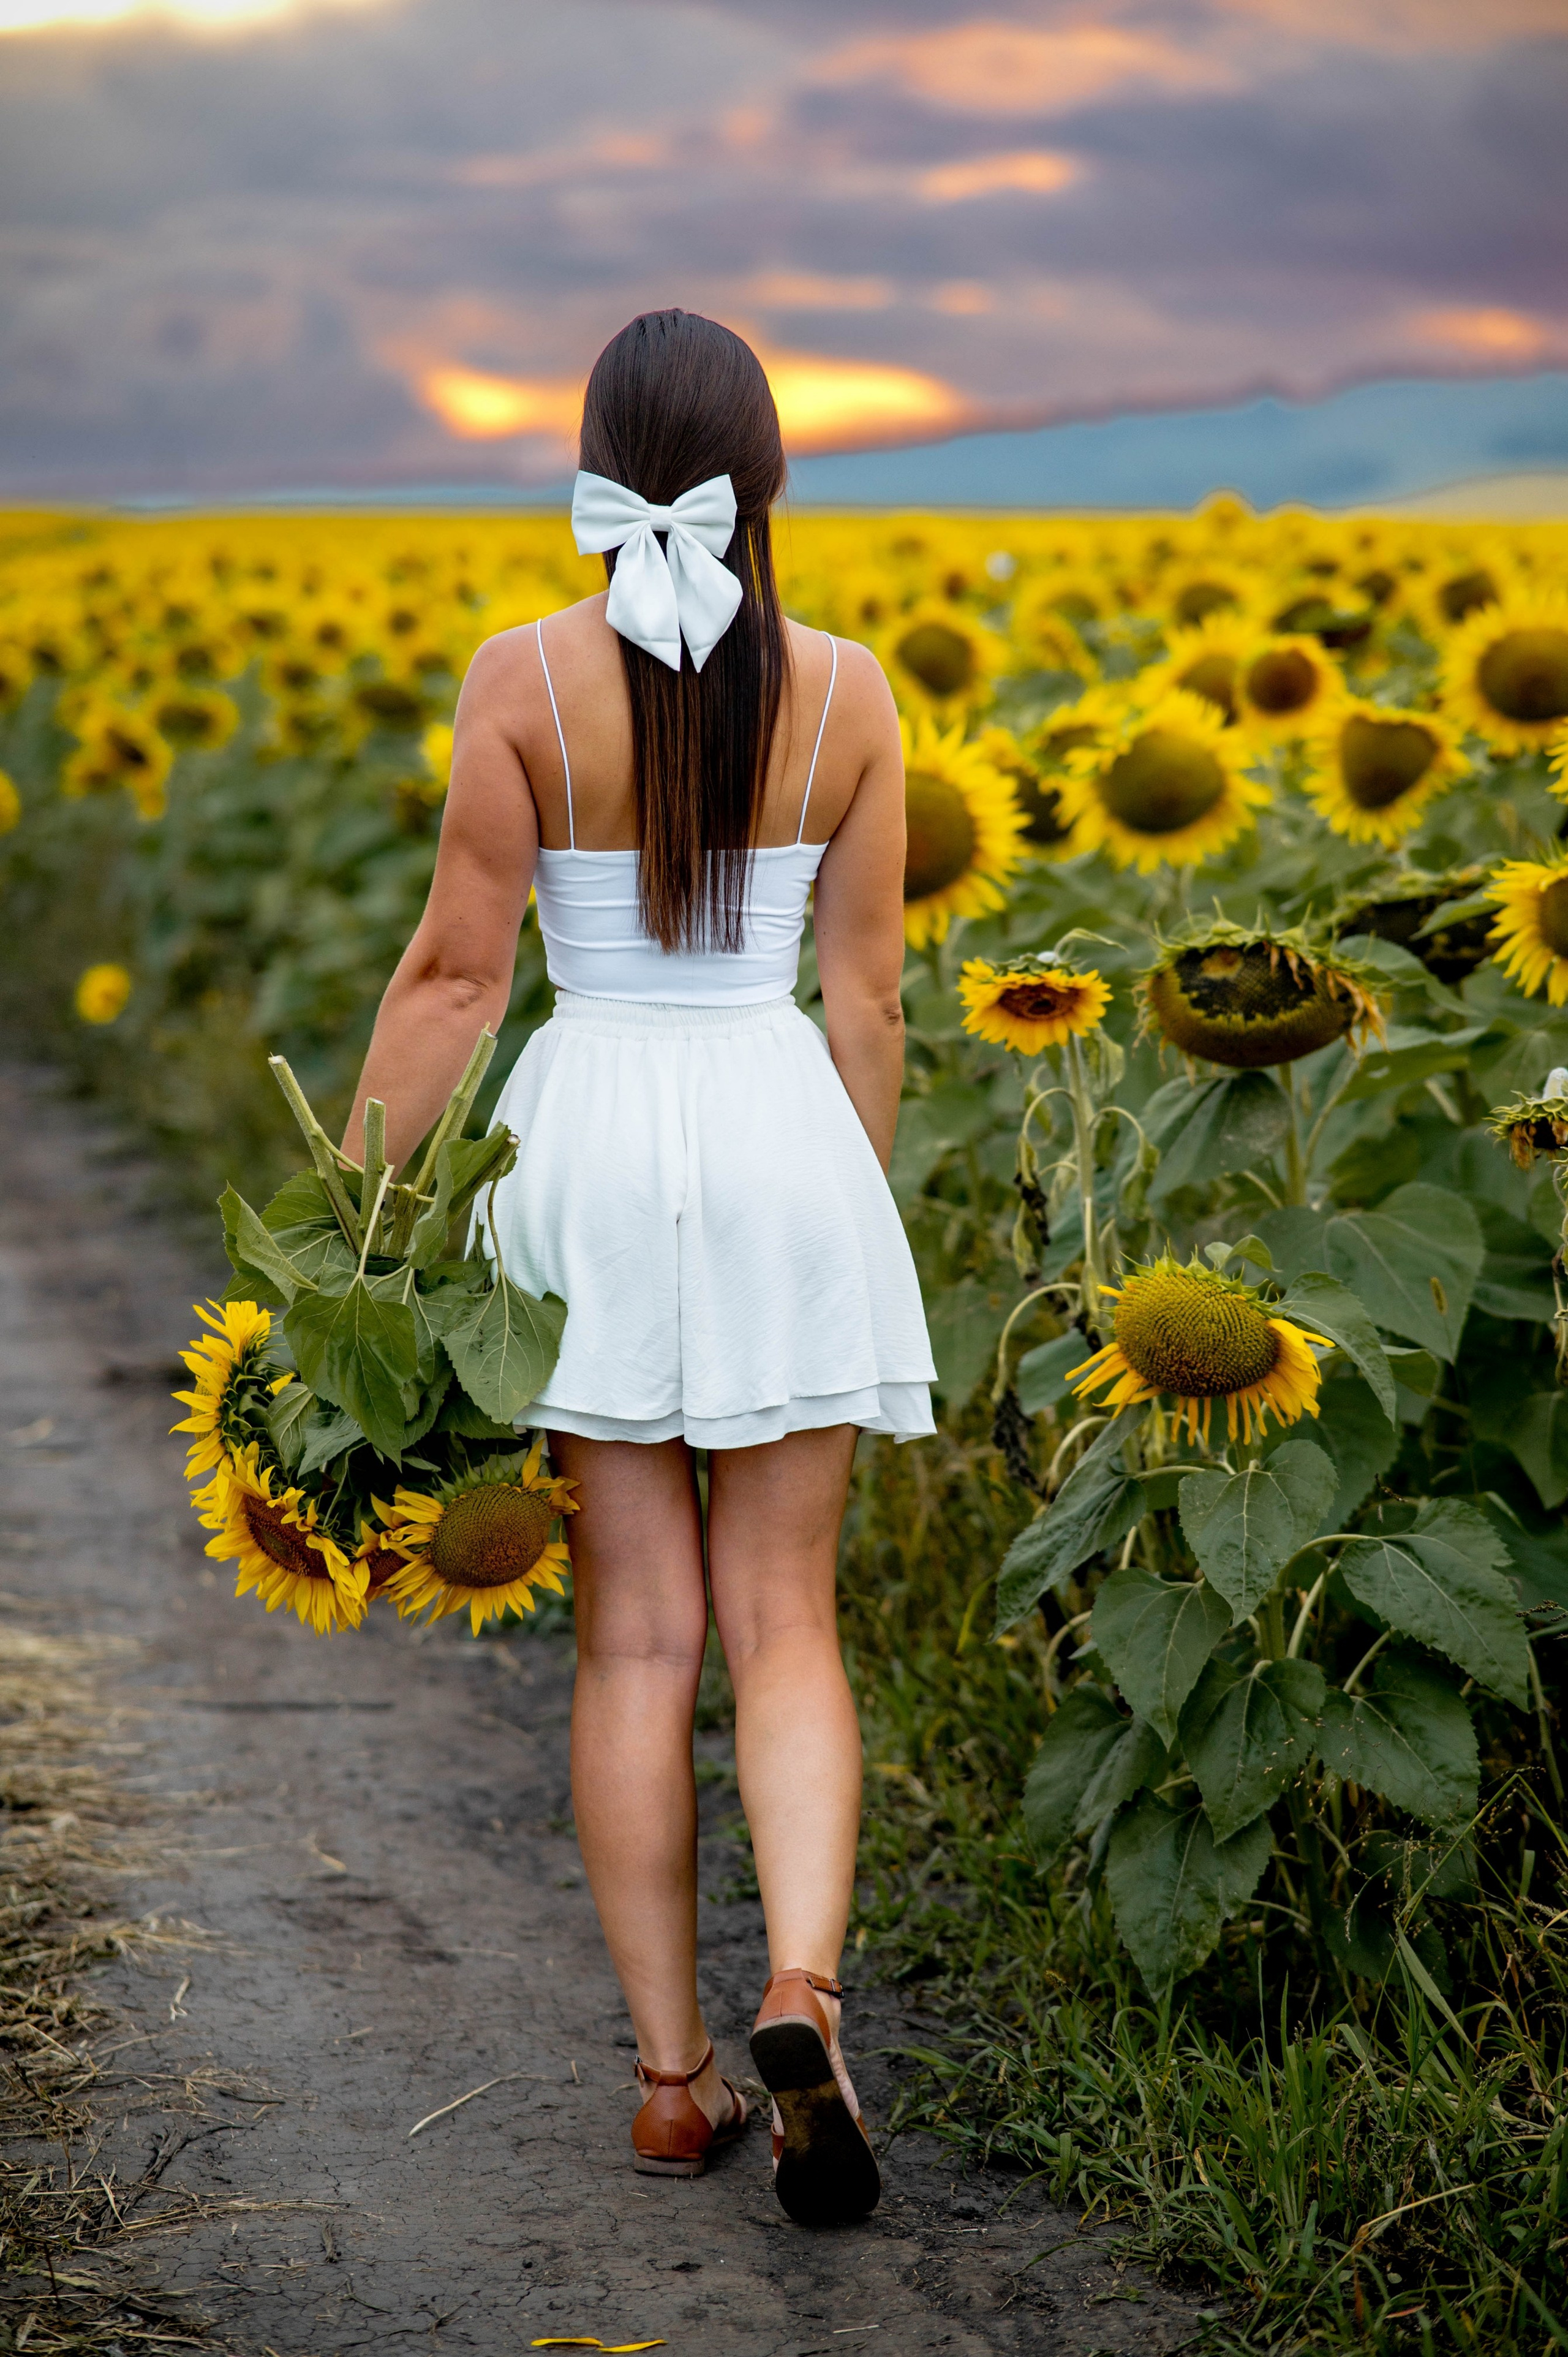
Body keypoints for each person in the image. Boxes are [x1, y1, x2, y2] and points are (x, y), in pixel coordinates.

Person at [344, 308, 935, 2228]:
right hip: (778, 1132)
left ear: (598, 466)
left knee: (636, 1640)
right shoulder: (851, 697)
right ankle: (805, 2000)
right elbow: (870, 997)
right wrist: (843, 1210)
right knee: (790, 1627)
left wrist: (355, 1216)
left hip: (586, 1145)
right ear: (768, 478)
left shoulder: (520, 676)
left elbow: (456, 976)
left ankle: (674, 2083)